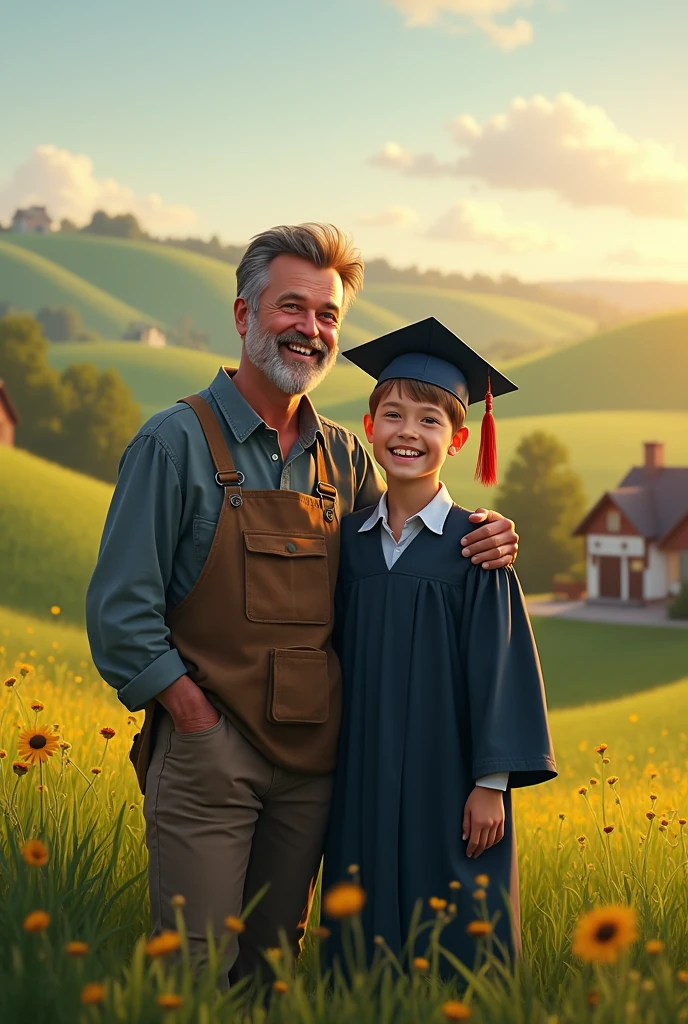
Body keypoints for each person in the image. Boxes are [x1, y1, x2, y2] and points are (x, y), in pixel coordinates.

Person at [85, 224, 520, 985]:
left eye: (327, 315)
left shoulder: (345, 455)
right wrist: (191, 714)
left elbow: (395, 546)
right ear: (244, 315)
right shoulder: (173, 444)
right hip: (211, 752)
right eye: (293, 307)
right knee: (194, 967)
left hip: (314, 765)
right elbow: (120, 614)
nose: (311, 330)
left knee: (272, 966)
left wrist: (482, 531)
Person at [322, 316, 557, 974]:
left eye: (429, 422)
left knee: (455, 919)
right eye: (393, 416)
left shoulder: (474, 547)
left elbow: (501, 668)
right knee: (358, 916)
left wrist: (491, 783)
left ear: (457, 440)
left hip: (448, 774)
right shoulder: (349, 543)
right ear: (369, 429)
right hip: (361, 769)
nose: (408, 433)